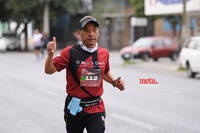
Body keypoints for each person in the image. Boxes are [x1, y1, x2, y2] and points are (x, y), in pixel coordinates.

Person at [45, 16, 125, 133]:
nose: (91, 34)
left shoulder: (104, 53)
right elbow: (49, 70)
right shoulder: (70, 52)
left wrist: (114, 82)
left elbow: (104, 72)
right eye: (87, 30)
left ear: (98, 32)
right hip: (75, 107)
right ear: (79, 33)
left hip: (96, 107)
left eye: (94, 30)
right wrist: (50, 55)